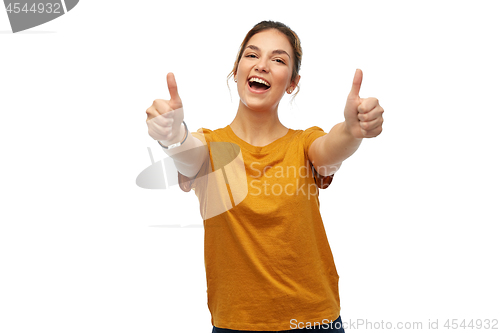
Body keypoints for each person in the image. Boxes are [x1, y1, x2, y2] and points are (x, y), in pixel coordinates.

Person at [145, 21, 384, 332]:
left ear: (292, 83)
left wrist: (354, 131)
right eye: (252, 55)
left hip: (313, 321)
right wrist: (173, 134)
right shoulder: (209, 147)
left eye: (278, 59)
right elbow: (189, 154)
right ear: (236, 70)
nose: (262, 65)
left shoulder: (304, 144)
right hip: (236, 324)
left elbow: (331, 148)